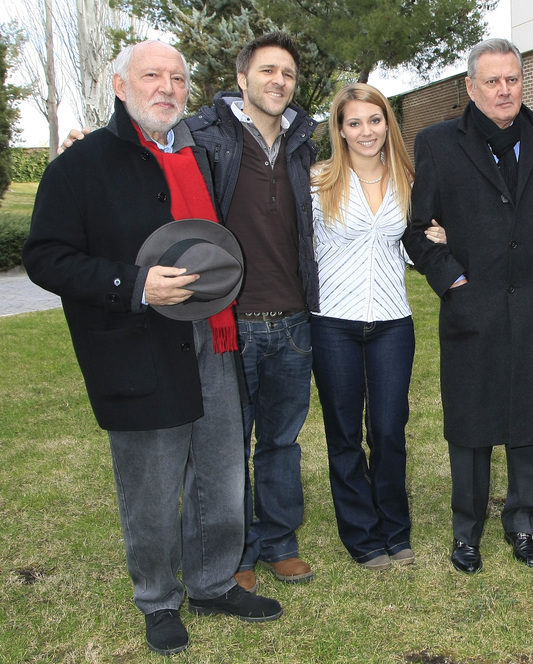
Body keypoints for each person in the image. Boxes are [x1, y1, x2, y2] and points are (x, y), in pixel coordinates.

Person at [22, 40, 282, 657]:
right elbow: (45, 257)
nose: (166, 87)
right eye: (151, 76)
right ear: (120, 85)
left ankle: (215, 581)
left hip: (213, 335)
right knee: (152, 483)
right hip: (136, 343)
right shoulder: (80, 165)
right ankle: (158, 599)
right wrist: (133, 284)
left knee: (221, 472)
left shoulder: (199, 153)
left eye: (177, 77)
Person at [402, 37, 533, 574]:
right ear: (470, 86)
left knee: (529, 420)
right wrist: (452, 279)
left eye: (511, 79)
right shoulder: (437, 143)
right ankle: (467, 532)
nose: (504, 90)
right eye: (492, 81)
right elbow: (418, 232)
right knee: (471, 424)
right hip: (471, 306)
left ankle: (523, 523)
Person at [185, 32, 319, 589]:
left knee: (281, 442)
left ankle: (279, 541)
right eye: (267, 71)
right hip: (229, 320)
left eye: (286, 73)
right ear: (242, 79)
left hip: (292, 321)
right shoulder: (204, 137)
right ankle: (236, 551)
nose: (278, 82)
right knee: (227, 443)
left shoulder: (303, 142)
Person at [308, 83, 416, 571]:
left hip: (393, 322)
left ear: (386, 123)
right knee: (345, 433)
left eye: (374, 120)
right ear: (340, 129)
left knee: (390, 429)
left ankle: (396, 529)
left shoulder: (409, 178)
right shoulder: (316, 182)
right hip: (332, 323)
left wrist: (438, 234)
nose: (366, 131)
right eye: (354, 122)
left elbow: (413, 248)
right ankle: (362, 536)